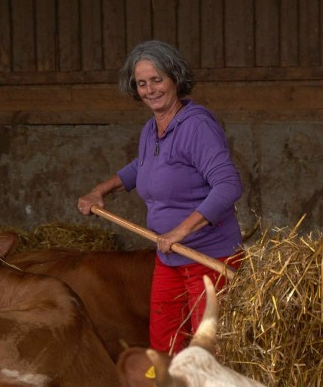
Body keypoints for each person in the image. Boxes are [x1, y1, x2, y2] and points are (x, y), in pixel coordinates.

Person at [77, 40, 243, 357]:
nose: (151, 89)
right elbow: (143, 166)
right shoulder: (152, 129)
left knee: (207, 354)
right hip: (169, 259)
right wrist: (101, 189)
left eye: (157, 79)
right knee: (164, 347)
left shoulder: (197, 126)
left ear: (175, 79)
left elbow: (228, 185)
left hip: (207, 260)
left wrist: (180, 231)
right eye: (142, 83)